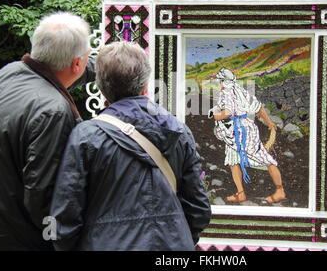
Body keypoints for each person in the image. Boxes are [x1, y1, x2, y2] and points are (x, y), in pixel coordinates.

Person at [50, 41, 211, 251]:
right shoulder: (179, 132)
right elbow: (199, 209)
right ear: (145, 85)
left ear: (101, 87)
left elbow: (65, 214)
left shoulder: (86, 137)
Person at [0, 12, 95, 250]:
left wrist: (109, 67)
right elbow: (44, 196)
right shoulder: (53, 111)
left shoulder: (5, 76)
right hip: (23, 241)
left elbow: (53, 72)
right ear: (76, 64)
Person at [208, 68, 286, 204]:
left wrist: (214, 115)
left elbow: (227, 113)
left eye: (219, 81)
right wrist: (269, 122)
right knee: (234, 160)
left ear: (223, 81)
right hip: (246, 128)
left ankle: (280, 191)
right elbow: (258, 107)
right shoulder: (241, 91)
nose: (218, 84)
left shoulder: (225, 93)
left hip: (237, 131)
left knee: (263, 158)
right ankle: (241, 193)